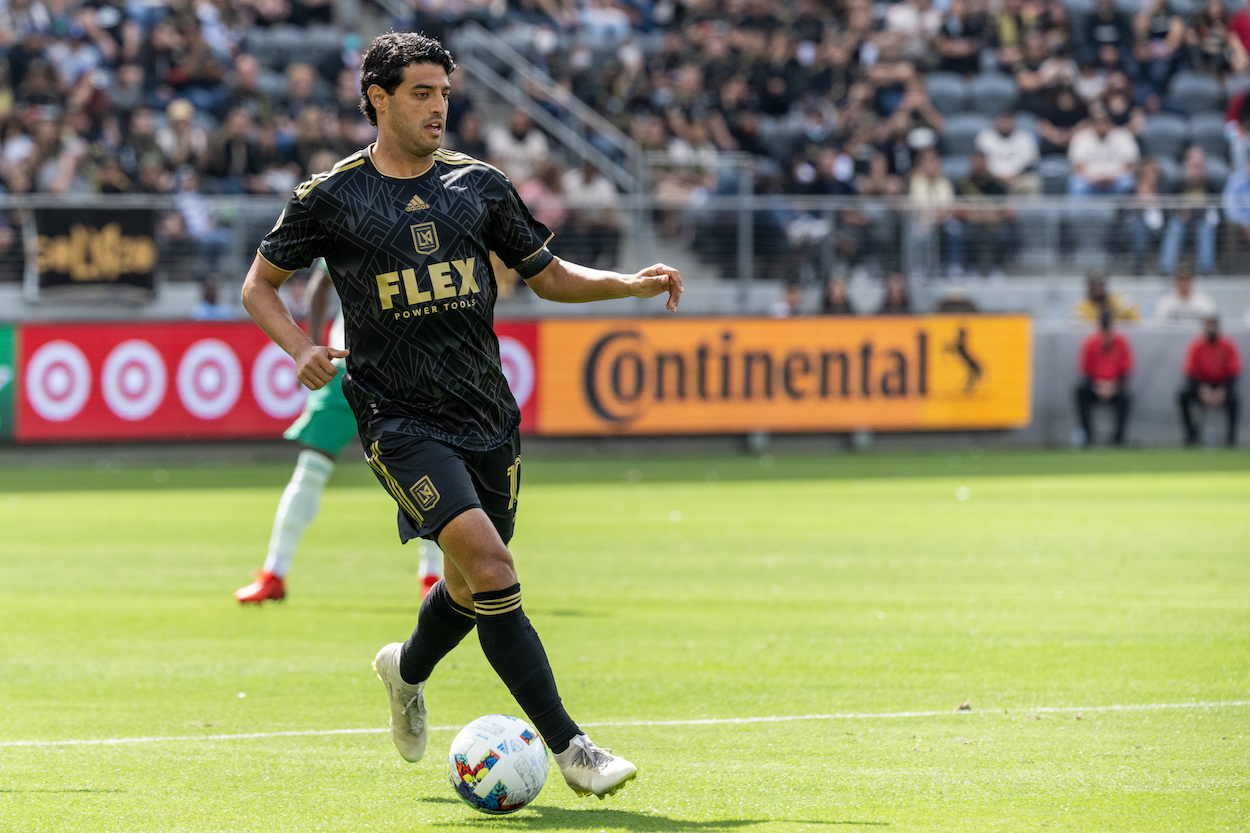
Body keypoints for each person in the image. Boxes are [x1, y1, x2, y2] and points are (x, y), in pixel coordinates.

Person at [240, 33, 682, 800]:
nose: (438, 106)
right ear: (377, 96)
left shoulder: (479, 185)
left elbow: (547, 275)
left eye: (444, 92)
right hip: (396, 416)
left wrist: (626, 284)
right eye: (420, 92)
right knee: (494, 566)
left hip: (486, 412)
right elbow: (260, 284)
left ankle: (405, 670)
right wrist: (299, 348)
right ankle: (573, 746)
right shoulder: (331, 195)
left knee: (473, 587)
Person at [235, 261, 443, 605]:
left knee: (428, 469)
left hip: (404, 369)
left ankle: (433, 578)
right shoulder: (358, 213)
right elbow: (320, 282)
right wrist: (314, 348)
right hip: (357, 364)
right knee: (315, 466)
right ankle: (274, 573)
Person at [1178, 315, 1241, 446]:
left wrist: (1223, 390)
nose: (1211, 330)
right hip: (1201, 385)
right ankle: (1191, 435)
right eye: (1208, 326)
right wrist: (1201, 389)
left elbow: (1234, 371)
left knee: (1234, 399)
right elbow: (1190, 372)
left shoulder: (1227, 345)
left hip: (1222, 386)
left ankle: (1230, 439)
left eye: (1214, 326)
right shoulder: (1196, 346)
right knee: (1183, 395)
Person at [1075, 307, 1133, 446]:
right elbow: (1086, 372)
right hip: (1095, 387)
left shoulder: (1121, 343)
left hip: (1115, 387)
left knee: (1126, 397)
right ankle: (1087, 436)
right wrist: (1098, 386)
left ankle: (1118, 439)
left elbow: (1125, 371)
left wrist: (1113, 386)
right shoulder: (1091, 343)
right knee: (1080, 392)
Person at [1067, 102, 1139, 197]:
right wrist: (1094, 179)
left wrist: (1112, 177)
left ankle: (1126, 212)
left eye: (1104, 121)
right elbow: (1077, 167)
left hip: (1116, 180)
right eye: (1097, 122)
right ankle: (1078, 212)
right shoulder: (1081, 137)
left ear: (1110, 122)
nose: (1101, 125)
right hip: (1090, 181)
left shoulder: (1123, 136)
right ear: (1091, 123)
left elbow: (1130, 165)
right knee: (1077, 183)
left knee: (1127, 182)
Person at [974, 111, 1041, 195]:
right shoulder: (985, 137)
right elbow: (979, 161)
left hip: (1018, 178)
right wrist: (999, 177)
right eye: (1003, 122)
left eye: (1008, 122)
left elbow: (1031, 162)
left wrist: (1014, 176)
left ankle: (1029, 208)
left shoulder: (1024, 137)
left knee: (1032, 182)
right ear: (996, 122)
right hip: (992, 179)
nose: (1005, 125)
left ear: (1014, 123)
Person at [1072, 268, 1140, 322]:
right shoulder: (1080, 308)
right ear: (1088, 286)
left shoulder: (1121, 302)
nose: (1097, 289)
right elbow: (1078, 334)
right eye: (1094, 285)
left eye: (1100, 284)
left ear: (1106, 285)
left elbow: (1137, 324)